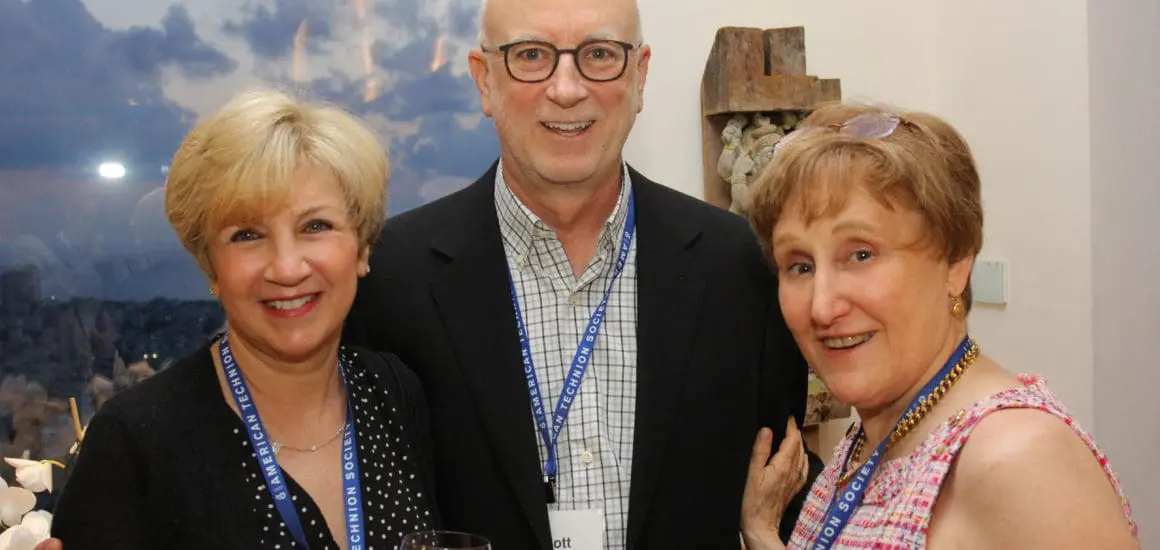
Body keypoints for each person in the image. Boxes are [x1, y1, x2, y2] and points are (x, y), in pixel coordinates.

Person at [339, 0, 815, 548]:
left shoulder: (740, 268)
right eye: (532, 55)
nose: (566, 88)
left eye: (599, 54)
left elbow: (784, 490)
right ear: (484, 80)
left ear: (639, 77)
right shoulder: (390, 278)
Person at [46, 88, 440, 549]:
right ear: (210, 266)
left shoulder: (395, 393)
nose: (287, 267)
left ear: (363, 247)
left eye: (316, 226)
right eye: (247, 234)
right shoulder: (136, 441)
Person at [738, 101, 1139, 549]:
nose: (822, 307)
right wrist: (762, 532)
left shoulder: (1016, 461)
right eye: (800, 265)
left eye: (861, 254)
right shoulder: (876, 434)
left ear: (955, 263)